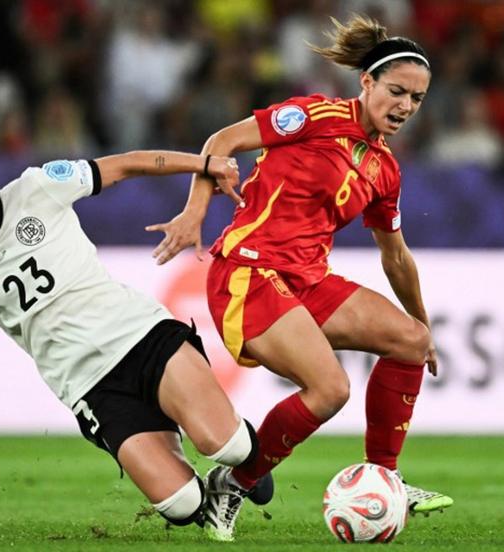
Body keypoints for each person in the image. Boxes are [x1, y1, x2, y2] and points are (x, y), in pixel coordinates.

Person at [0, 113, 273, 531]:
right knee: (183, 506)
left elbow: (127, 163)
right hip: (89, 384)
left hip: (140, 335)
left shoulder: (39, 187)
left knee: (229, 445)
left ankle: (234, 467)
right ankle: (196, 474)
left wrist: (203, 164)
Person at [147, 15, 453, 541]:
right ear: (367, 83)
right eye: (397, 91)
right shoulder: (315, 115)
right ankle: (235, 483)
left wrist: (423, 327)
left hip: (306, 280)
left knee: (409, 341)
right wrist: (195, 209)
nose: (404, 106)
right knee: (330, 388)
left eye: (417, 99)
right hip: (249, 272)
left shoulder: (384, 169)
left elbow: (396, 257)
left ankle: (385, 478)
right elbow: (222, 140)